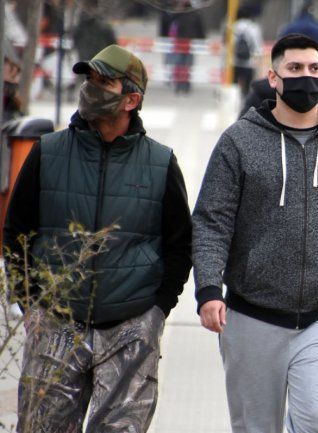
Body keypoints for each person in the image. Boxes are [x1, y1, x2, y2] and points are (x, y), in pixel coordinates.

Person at [192, 33, 318, 433]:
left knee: (316, 419)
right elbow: (212, 220)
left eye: (314, 69)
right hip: (252, 314)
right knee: (255, 426)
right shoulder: (239, 142)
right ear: (274, 78)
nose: (306, 77)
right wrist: (209, 289)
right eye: (295, 69)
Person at [3, 44, 192, 432]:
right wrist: (31, 306)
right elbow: (16, 233)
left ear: (131, 99)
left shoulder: (160, 163)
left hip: (129, 330)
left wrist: (156, 313)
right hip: (55, 326)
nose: (90, 88)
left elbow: (179, 244)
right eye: (89, 79)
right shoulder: (48, 152)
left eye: (104, 82)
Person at [232, 6, 264, 98]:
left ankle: (234, 104)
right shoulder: (253, 27)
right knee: (247, 89)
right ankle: (244, 105)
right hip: (249, 63)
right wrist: (258, 59)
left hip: (234, 62)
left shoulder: (232, 26)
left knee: (234, 87)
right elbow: (258, 45)